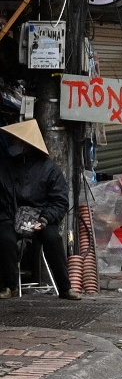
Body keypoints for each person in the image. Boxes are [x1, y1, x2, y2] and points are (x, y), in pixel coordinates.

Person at [0, 120, 77, 300]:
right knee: (4, 238)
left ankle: (65, 288)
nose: (13, 145)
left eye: (17, 141)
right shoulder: (6, 165)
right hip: (11, 216)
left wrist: (45, 219)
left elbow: (60, 201)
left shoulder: (49, 169)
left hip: (40, 217)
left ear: (27, 145)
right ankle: (8, 286)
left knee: (53, 239)